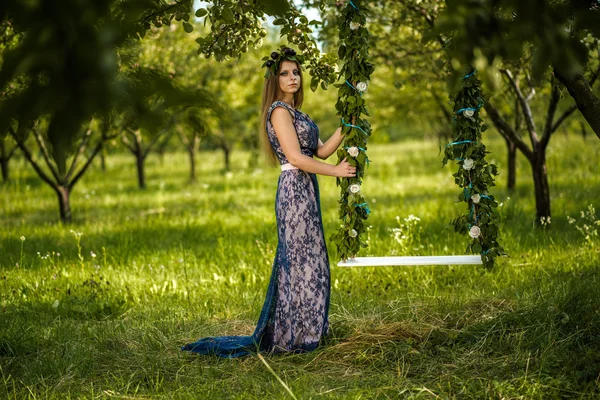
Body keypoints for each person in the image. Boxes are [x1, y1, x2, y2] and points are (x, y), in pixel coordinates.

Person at [182, 47, 356, 358]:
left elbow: (322, 150)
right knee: (299, 262)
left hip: (307, 191)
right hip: (293, 192)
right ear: (274, 80)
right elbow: (294, 157)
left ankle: (310, 329)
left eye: (296, 72)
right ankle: (295, 336)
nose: (293, 78)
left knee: (311, 261)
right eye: (285, 73)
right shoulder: (278, 111)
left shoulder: (298, 114)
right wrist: (336, 173)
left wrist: (348, 126)